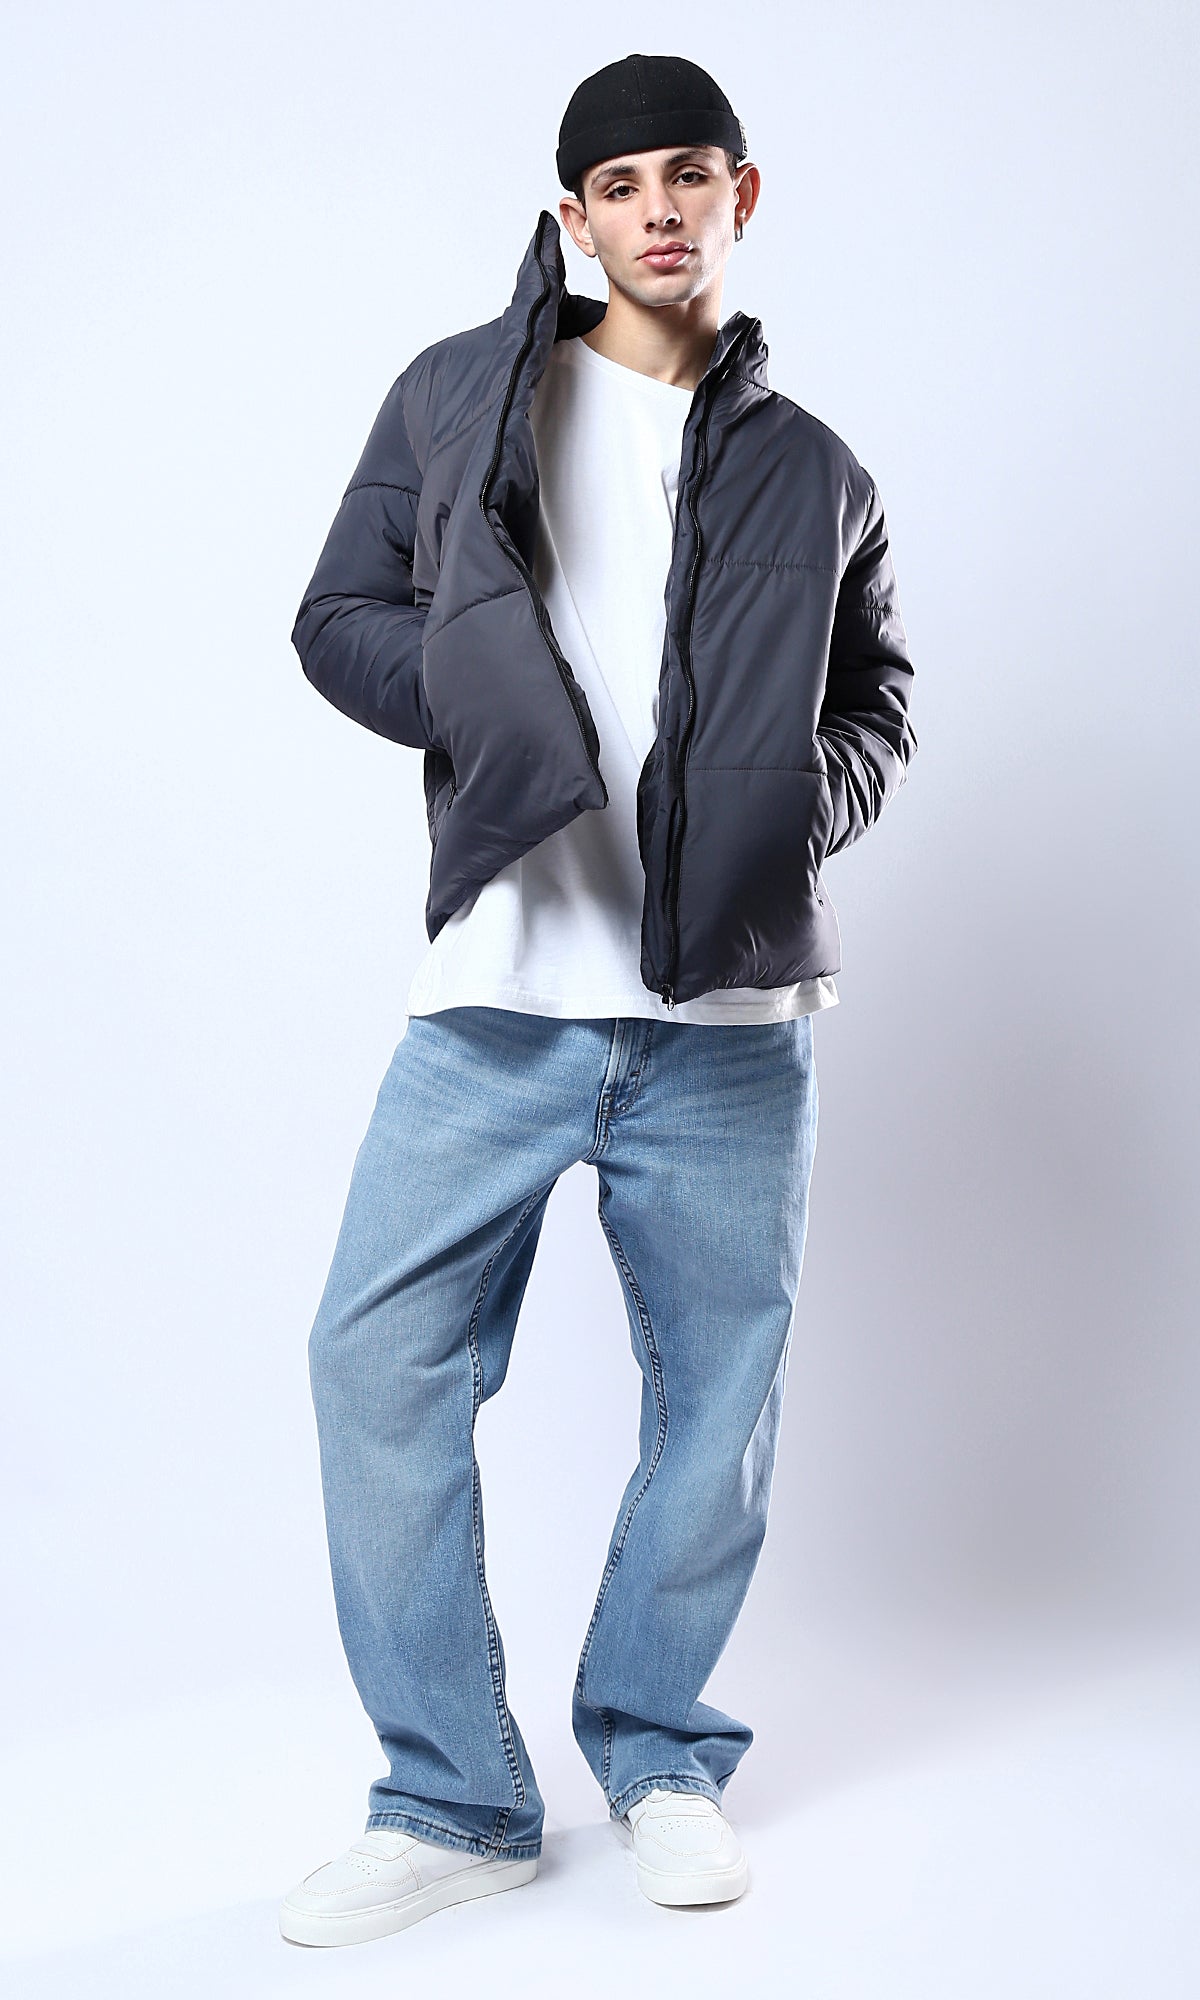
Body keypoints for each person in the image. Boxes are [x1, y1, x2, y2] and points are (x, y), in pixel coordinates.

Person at [279, 51, 917, 1948]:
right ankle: (454, 1798)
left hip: (732, 1024)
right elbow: (338, 617)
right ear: (572, 215)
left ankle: (658, 1752)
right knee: (374, 1359)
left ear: (741, 196)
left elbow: (877, 701)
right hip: (500, 993)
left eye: (687, 174)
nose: (656, 208)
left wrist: (793, 807)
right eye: (618, 182)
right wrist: (492, 713)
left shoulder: (820, 470)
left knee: (718, 1403)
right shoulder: (461, 394)